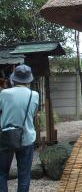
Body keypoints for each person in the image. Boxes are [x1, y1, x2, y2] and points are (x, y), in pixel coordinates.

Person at [0, 64, 39, 192]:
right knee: (24, 174)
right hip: (26, 138)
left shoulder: (4, 93)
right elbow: (33, 114)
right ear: (29, 79)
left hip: (6, 137)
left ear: (13, 79)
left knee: (1, 173)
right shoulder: (34, 95)